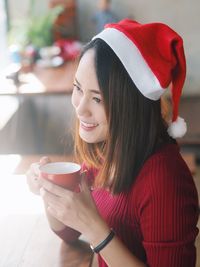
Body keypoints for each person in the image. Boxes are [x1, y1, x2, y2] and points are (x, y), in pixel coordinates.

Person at [26, 19, 199, 267]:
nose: (80, 107)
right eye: (78, 88)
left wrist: (95, 229)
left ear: (130, 106)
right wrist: (49, 193)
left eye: (97, 99)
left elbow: (87, 228)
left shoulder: (165, 179)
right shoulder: (107, 147)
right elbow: (68, 233)